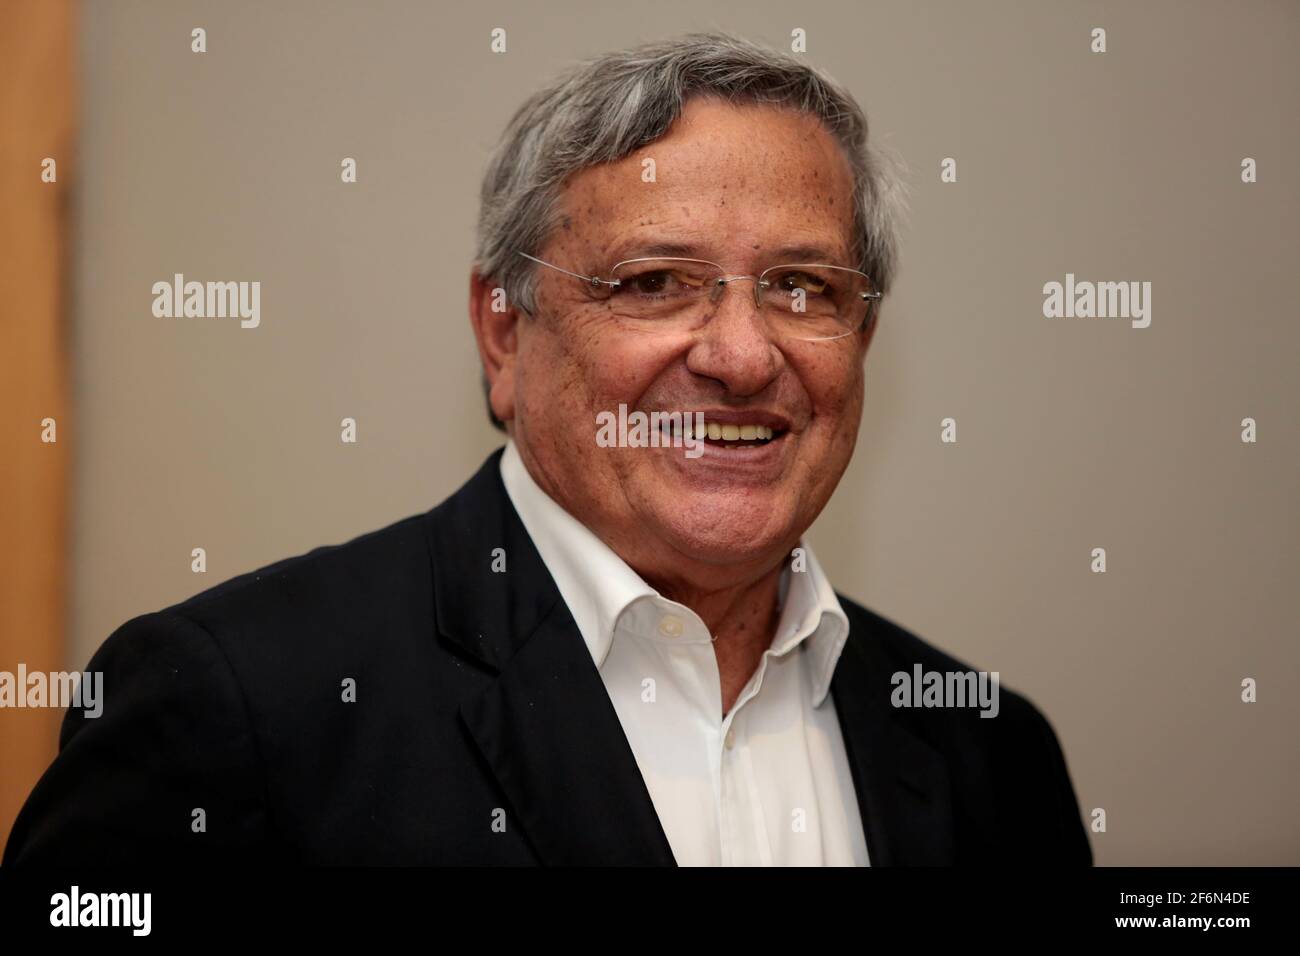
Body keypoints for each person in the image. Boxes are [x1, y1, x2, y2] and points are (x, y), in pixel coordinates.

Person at [4, 32, 1090, 866]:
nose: (743, 355)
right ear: (503, 332)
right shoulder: (236, 704)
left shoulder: (987, 747)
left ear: (861, 337)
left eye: (802, 287)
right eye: (655, 282)